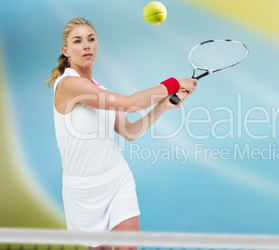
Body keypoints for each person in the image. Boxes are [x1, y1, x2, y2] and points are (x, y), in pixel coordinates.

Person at [46, 17, 197, 250]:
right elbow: (129, 103)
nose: (86, 45)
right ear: (66, 51)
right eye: (78, 41)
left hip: (117, 180)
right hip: (83, 193)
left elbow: (129, 131)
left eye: (91, 39)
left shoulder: (101, 90)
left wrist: (162, 106)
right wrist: (174, 82)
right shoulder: (68, 85)